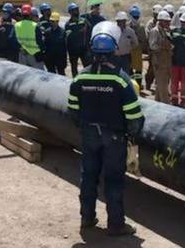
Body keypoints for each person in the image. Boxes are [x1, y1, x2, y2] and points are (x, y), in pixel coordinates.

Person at [68, 23, 144, 236]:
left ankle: (87, 218)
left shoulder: (80, 77)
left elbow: (72, 110)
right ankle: (116, 224)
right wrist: (133, 135)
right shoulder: (120, 78)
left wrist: (85, 128)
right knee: (113, 180)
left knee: (89, 176)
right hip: (114, 138)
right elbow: (134, 116)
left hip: (89, 135)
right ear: (113, 50)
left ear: (92, 50)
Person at [147, 11, 173, 103]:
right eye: (166, 21)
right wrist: (162, 46)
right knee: (163, 86)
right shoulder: (155, 31)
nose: (168, 23)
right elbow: (152, 46)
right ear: (160, 21)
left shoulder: (166, 31)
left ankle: (157, 103)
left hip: (166, 61)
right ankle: (165, 105)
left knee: (161, 85)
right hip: (159, 61)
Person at [16, 4, 44, 69]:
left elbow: (14, 40)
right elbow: (40, 42)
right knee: (38, 75)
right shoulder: (35, 26)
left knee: (24, 75)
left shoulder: (16, 25)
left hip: (22, 55)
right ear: (30, 15)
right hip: (35, 56)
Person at [114, 12, 139, 81]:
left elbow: (135, 43)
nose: (121, 23)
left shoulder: (130, 31)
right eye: (120, 21)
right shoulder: (112, 30)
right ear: (117, 21)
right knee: (115, 75)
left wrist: (129, 48)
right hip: (114, 57)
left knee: (125, 75)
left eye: (123, 21)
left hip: (126, 57)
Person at [65, 3, 89, 75]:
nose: (76, 11)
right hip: (73, 50)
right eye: (74, 10)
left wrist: (86, 27)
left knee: (87, 66)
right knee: (74, 67)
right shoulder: (68, 24)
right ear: (70, 12)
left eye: (77, 10)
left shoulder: (83, 20)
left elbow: (90, 29)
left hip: (83, 48)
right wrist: (80, 31)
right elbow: (69, 36)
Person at [129, 6, 147, 88]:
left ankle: (138, 85)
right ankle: (132, 85)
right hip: (129, 51)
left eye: (137, 17)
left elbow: (144, 40)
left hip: (138, 51)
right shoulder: (127, 26)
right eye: (134, 17)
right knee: (130, 69)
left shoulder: (142, 27)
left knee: (138, 70)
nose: (136, 18)